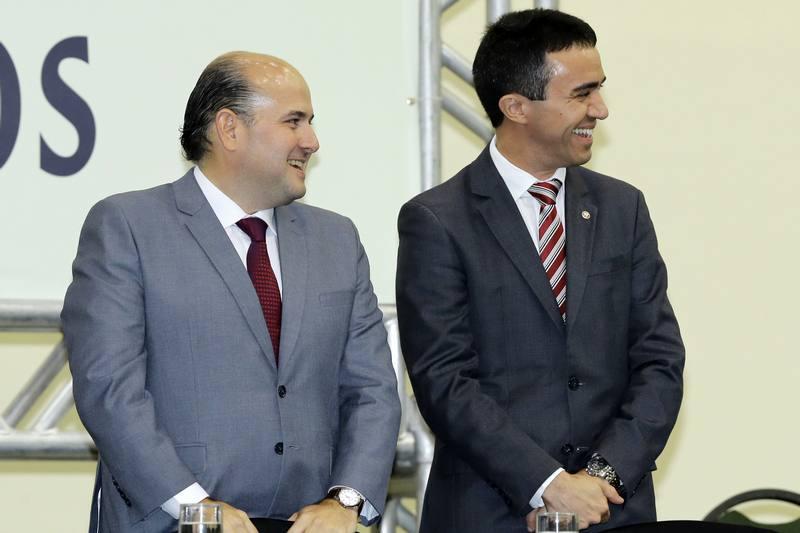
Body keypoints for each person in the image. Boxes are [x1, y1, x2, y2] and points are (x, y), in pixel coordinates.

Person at [62, 51, 401, 533]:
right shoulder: (129, 227)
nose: (311, 141)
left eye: (310, 122)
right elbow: (109, 389)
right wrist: (196, 507)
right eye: (294, 121)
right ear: (229, 128)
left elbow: (373, 390)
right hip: (176, 522)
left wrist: (345, 502)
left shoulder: (337, 239)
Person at [396, 9, 684, 532]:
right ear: (516, 107)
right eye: (582, 94)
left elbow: (660, 360)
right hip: (491, 513)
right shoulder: (438, 220)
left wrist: (600, 479)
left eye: (599, 89)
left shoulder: (623, 208)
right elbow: (444, 380)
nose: (600, 109)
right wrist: (547, 483)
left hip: (612, 510)